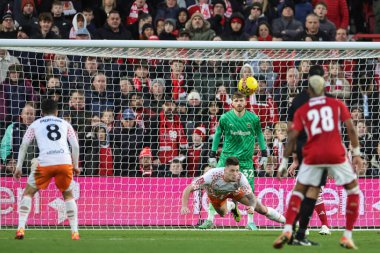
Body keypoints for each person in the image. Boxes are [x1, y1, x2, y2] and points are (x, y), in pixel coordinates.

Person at [273, 75, 363, 249]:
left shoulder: (302, 110)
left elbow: (291, 137)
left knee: (299, 191)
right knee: (353, 190)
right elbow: (351, 128)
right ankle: (347, 236)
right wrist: (357, 153)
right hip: (335, 154)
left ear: (309, 91)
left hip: (312, 155)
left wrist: (284, 163)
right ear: (324, 89)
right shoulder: (337, 104)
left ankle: (287, 230)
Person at [199, 91, 285, 230]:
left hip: (245, 160)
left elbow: (259, 135)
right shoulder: (225, 118)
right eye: (236, 101)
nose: (239, 103)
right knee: (214, 187)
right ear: (232, 103)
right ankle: (210, 220)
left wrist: (263, 152)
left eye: (241, 101)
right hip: (226, 159)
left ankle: (250, 222)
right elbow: (218, 134)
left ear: (246, 102)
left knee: (249, 191)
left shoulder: (253, 118)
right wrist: (212, 153)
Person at [13, 99, 80, 240]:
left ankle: (20, 229)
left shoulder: (35, 124)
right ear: (57, 112)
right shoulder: (65, 124)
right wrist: (75, 165)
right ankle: (75, 232)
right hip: (64, 162)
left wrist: (18, 167)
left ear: (41, 113)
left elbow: (24, 146)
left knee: (28, 193)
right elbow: (75, 146)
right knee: (68, 195)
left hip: (44, 163)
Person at [286, 65, 332, 245]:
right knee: (311, 190)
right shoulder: (327, 100)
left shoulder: (298, 100)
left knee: (303, 190)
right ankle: (300, 233)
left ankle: (294, 231)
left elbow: (292, 131)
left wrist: (294, 158)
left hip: (304, 150)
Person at [181, 157, 285, 227]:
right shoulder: (211, 175)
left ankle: (288, 223)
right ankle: (231, 206)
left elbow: (252, 197)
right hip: (217, 194)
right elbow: (188, 188)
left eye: (237, 170)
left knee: (261, 209)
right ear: (225, 170)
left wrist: (252, 207)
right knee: (222, 213)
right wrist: (184, 206)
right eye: (232, 171)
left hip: (235, 192)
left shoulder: (240, 177)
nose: (235, 173)